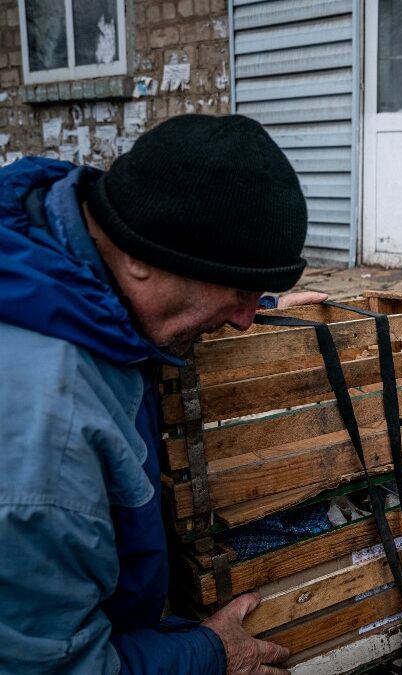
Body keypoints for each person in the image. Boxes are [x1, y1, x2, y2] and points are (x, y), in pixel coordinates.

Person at [0, 114, 325, 674]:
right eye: (241, 291)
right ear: (138, 258)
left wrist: (252, 307)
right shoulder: (47, 448)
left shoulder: (62, 248)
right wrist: (209, 654)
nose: (247, 320)